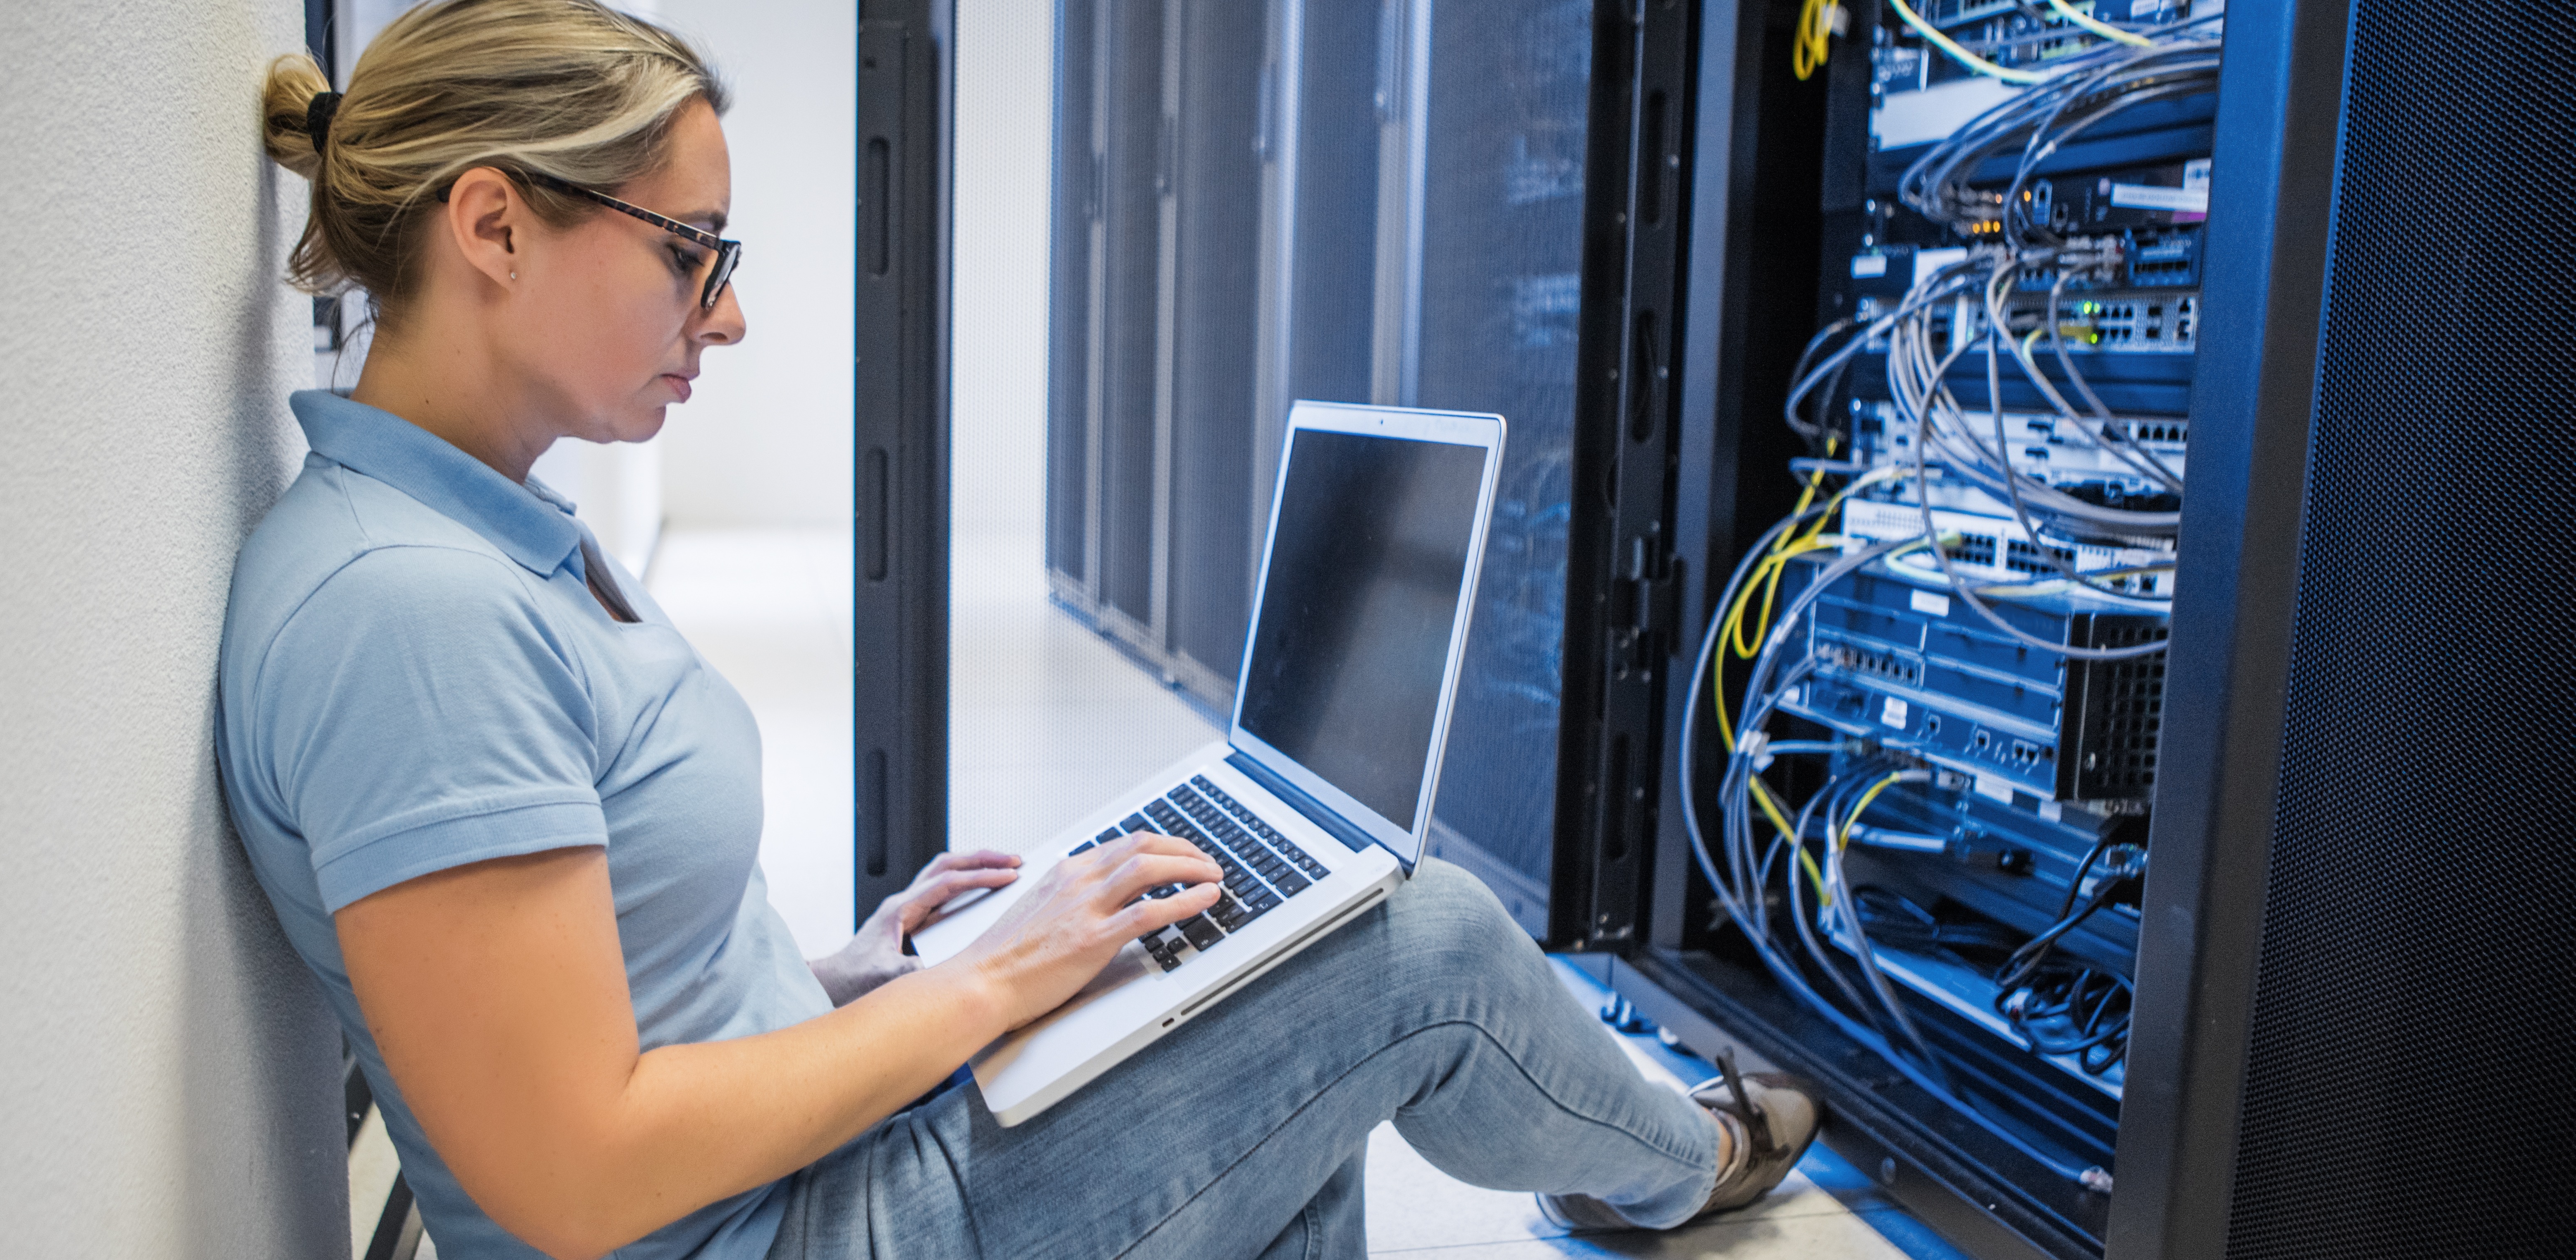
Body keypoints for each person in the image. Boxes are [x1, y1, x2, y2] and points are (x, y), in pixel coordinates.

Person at [221, 3, 1823, 1258]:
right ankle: (1683, 1168)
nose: (728, 312)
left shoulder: (471, 536)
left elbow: (609, 988)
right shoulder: (409, 615)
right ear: (493, 228)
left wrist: (853, 975)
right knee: (1418, 947)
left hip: (793, 1186)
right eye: (689, 253)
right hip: (798, 1232)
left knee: (1265, 1016)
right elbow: (579, 1174)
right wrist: (986, 996)